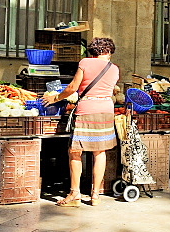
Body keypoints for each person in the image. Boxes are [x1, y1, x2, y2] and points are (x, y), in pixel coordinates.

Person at [42, 37, 120, 206]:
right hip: (106, 110)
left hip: (87, 110)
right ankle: (95, 195)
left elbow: (72, 88)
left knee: (75, 151)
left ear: (93, 51)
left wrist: (55, 98)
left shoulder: (85, 63)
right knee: (100, 152)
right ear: (108, 51)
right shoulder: (114, 69)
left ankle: (74, 193)